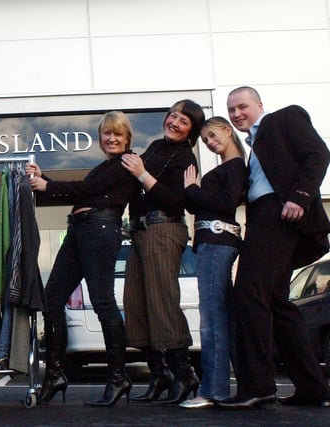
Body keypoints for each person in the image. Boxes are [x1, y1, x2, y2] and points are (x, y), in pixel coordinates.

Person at [218, 86, 330, 409]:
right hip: (267, 219)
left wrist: (301, 196)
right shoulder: (254, 150)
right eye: (231, 110)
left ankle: (258, 386)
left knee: (248, 293)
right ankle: (313, 388)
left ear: (259, 105)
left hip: (279, 215)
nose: (237, 114)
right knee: (277, 304)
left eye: (242, 107)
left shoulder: (284, 118)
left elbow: (319, 153)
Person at [26, 111, 138, 406]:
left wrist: (48, 184)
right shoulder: (104, 168)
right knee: (52, 299)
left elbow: (85, 190)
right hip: (80, 230)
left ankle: (118, 377)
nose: (111, 139)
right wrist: (43, 179)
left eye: (117, 134)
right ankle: (55, 374)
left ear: (127, 139)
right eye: (107, 134)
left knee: (102, 301)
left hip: (100, 230)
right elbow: (81, 195)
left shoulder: (126, 162)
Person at [120, 99, 205, 404]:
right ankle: (160, 374)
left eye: (184, 121)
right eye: (173, 116)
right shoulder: (156, 146)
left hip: (164, 228)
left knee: (162, 303)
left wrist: (142, 173)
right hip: (140, 231)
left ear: (191, 131)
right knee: (136, 305)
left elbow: (175, 202)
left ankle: (184, 374)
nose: (174, 122)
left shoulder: (186, 158)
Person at [179, 117, 247, 408]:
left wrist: (193, 190)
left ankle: (213, 390)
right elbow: (197, 205)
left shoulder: (233, 167)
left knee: (212, 319)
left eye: (211, 135)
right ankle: (234, 386)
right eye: (205, 139)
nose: (208, 141)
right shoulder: (226, 168)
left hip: (217, 243)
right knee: (222, 317)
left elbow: (226, 203)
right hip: (212, 243)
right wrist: (192, 193)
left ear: (228, 131)